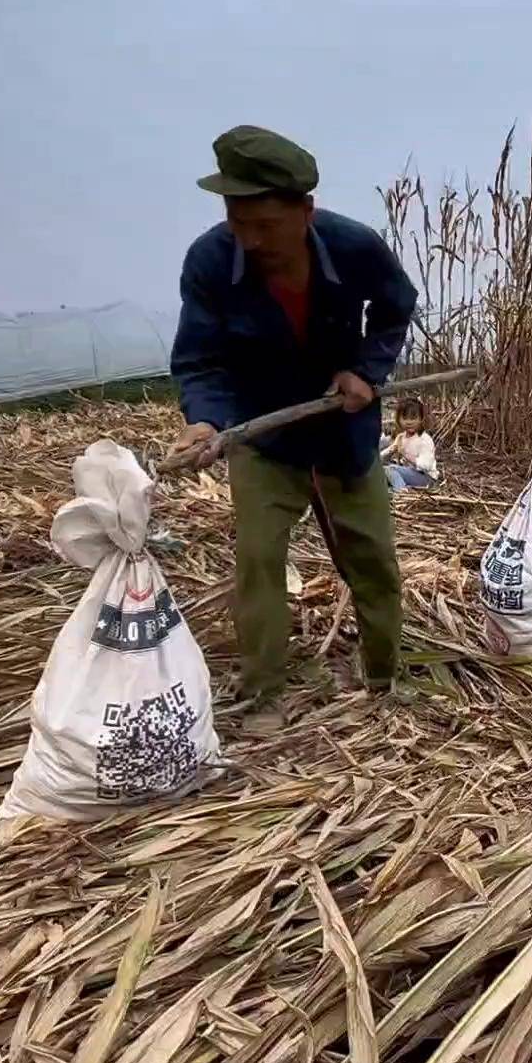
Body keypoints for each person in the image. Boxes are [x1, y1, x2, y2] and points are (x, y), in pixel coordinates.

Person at [166, 125, 418, 705]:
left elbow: (395, 309)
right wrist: (205, 421)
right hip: (263, 437)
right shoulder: (210, 262)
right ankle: (264, 696)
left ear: (306, 210)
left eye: (266, 225)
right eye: (238, 221)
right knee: (258, 564)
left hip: (343, 435)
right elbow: (200, 357)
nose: (250, 239)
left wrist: (366, 372)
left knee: (373, 559)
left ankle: (384, 677)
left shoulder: (356, 247)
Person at [382, 396, 439, 491]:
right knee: (383, 473)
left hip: (426, 478)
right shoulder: (401, 437)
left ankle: (402, 493)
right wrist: (392, 449)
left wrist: (405, 454)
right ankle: (401, 489)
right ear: (398, 419)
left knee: (391, 469)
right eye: (404, 418)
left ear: (421, 418)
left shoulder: (424, 439)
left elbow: (426, 466)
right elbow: (383, 457)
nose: (409, 422)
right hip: (410, 474)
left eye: (413, 418)